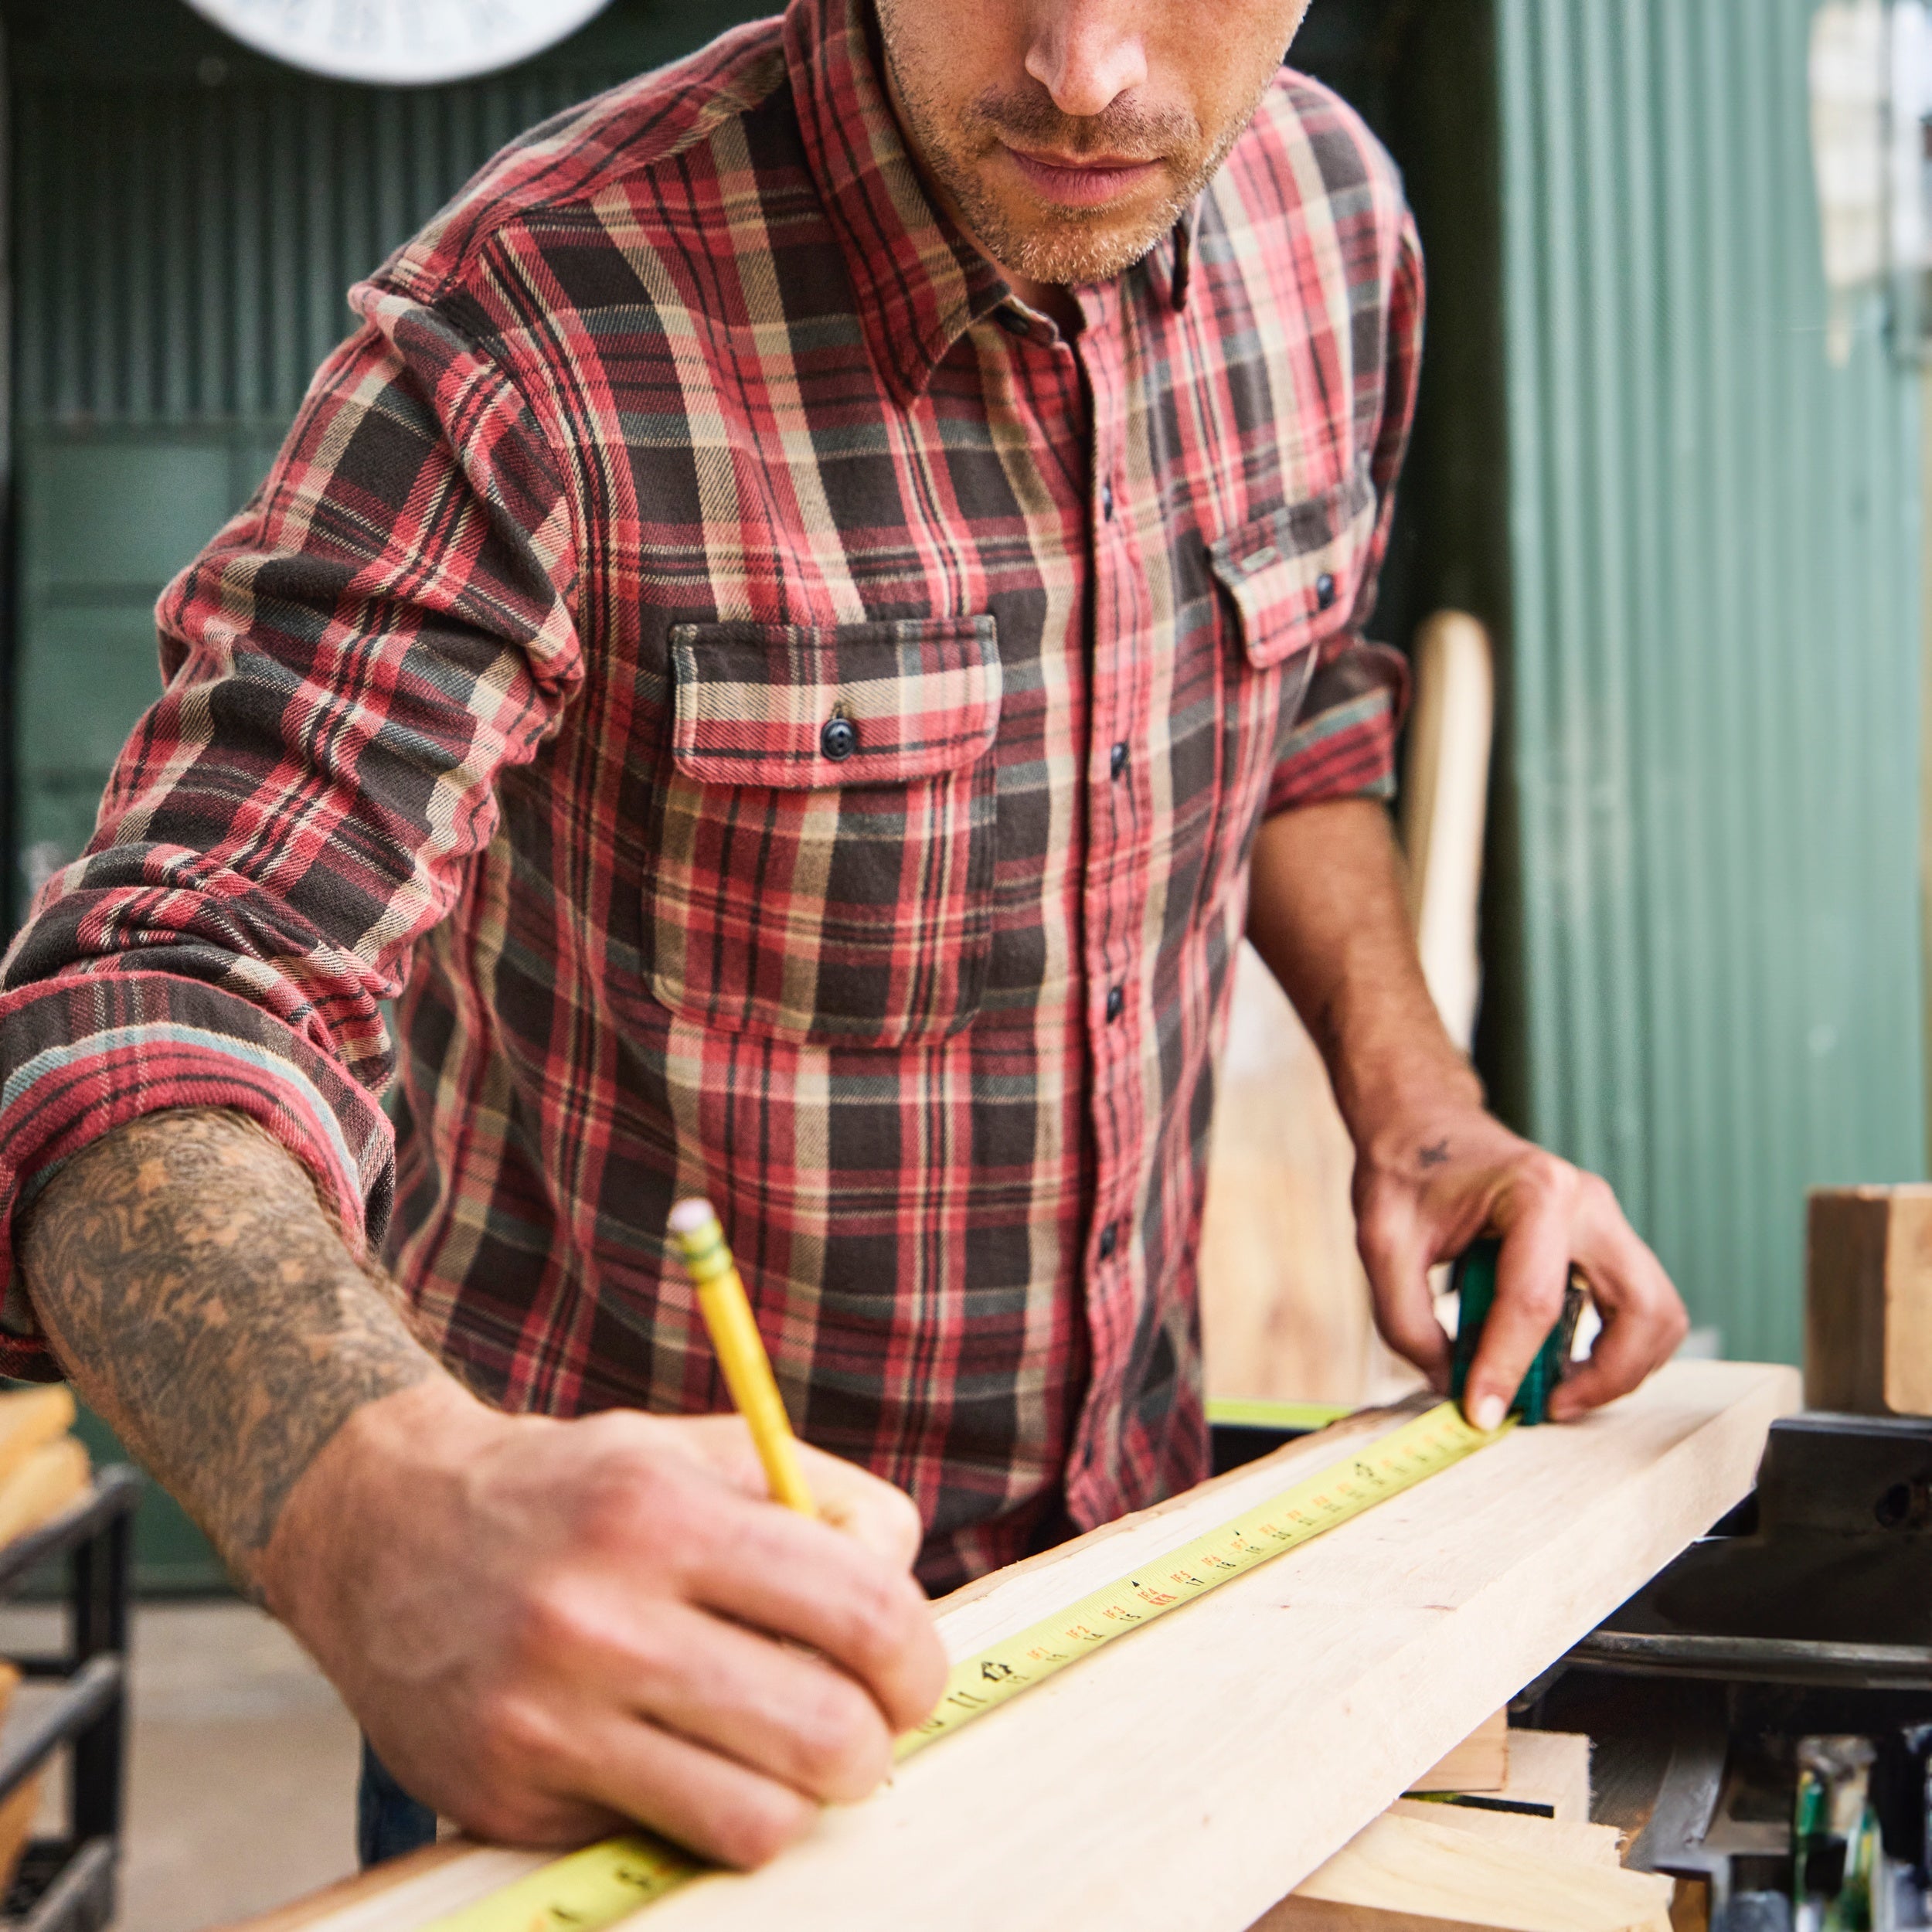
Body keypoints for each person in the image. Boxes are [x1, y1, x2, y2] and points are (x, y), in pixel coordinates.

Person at [0, 0, 1689, 1874]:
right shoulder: (540, 324)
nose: (1085, 67)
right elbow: (151, 997)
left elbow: (1302, 717)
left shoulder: (1328, 223)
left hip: (1141, 1575)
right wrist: (382, 1501)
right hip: (637, 1683)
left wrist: (1420, 1105)